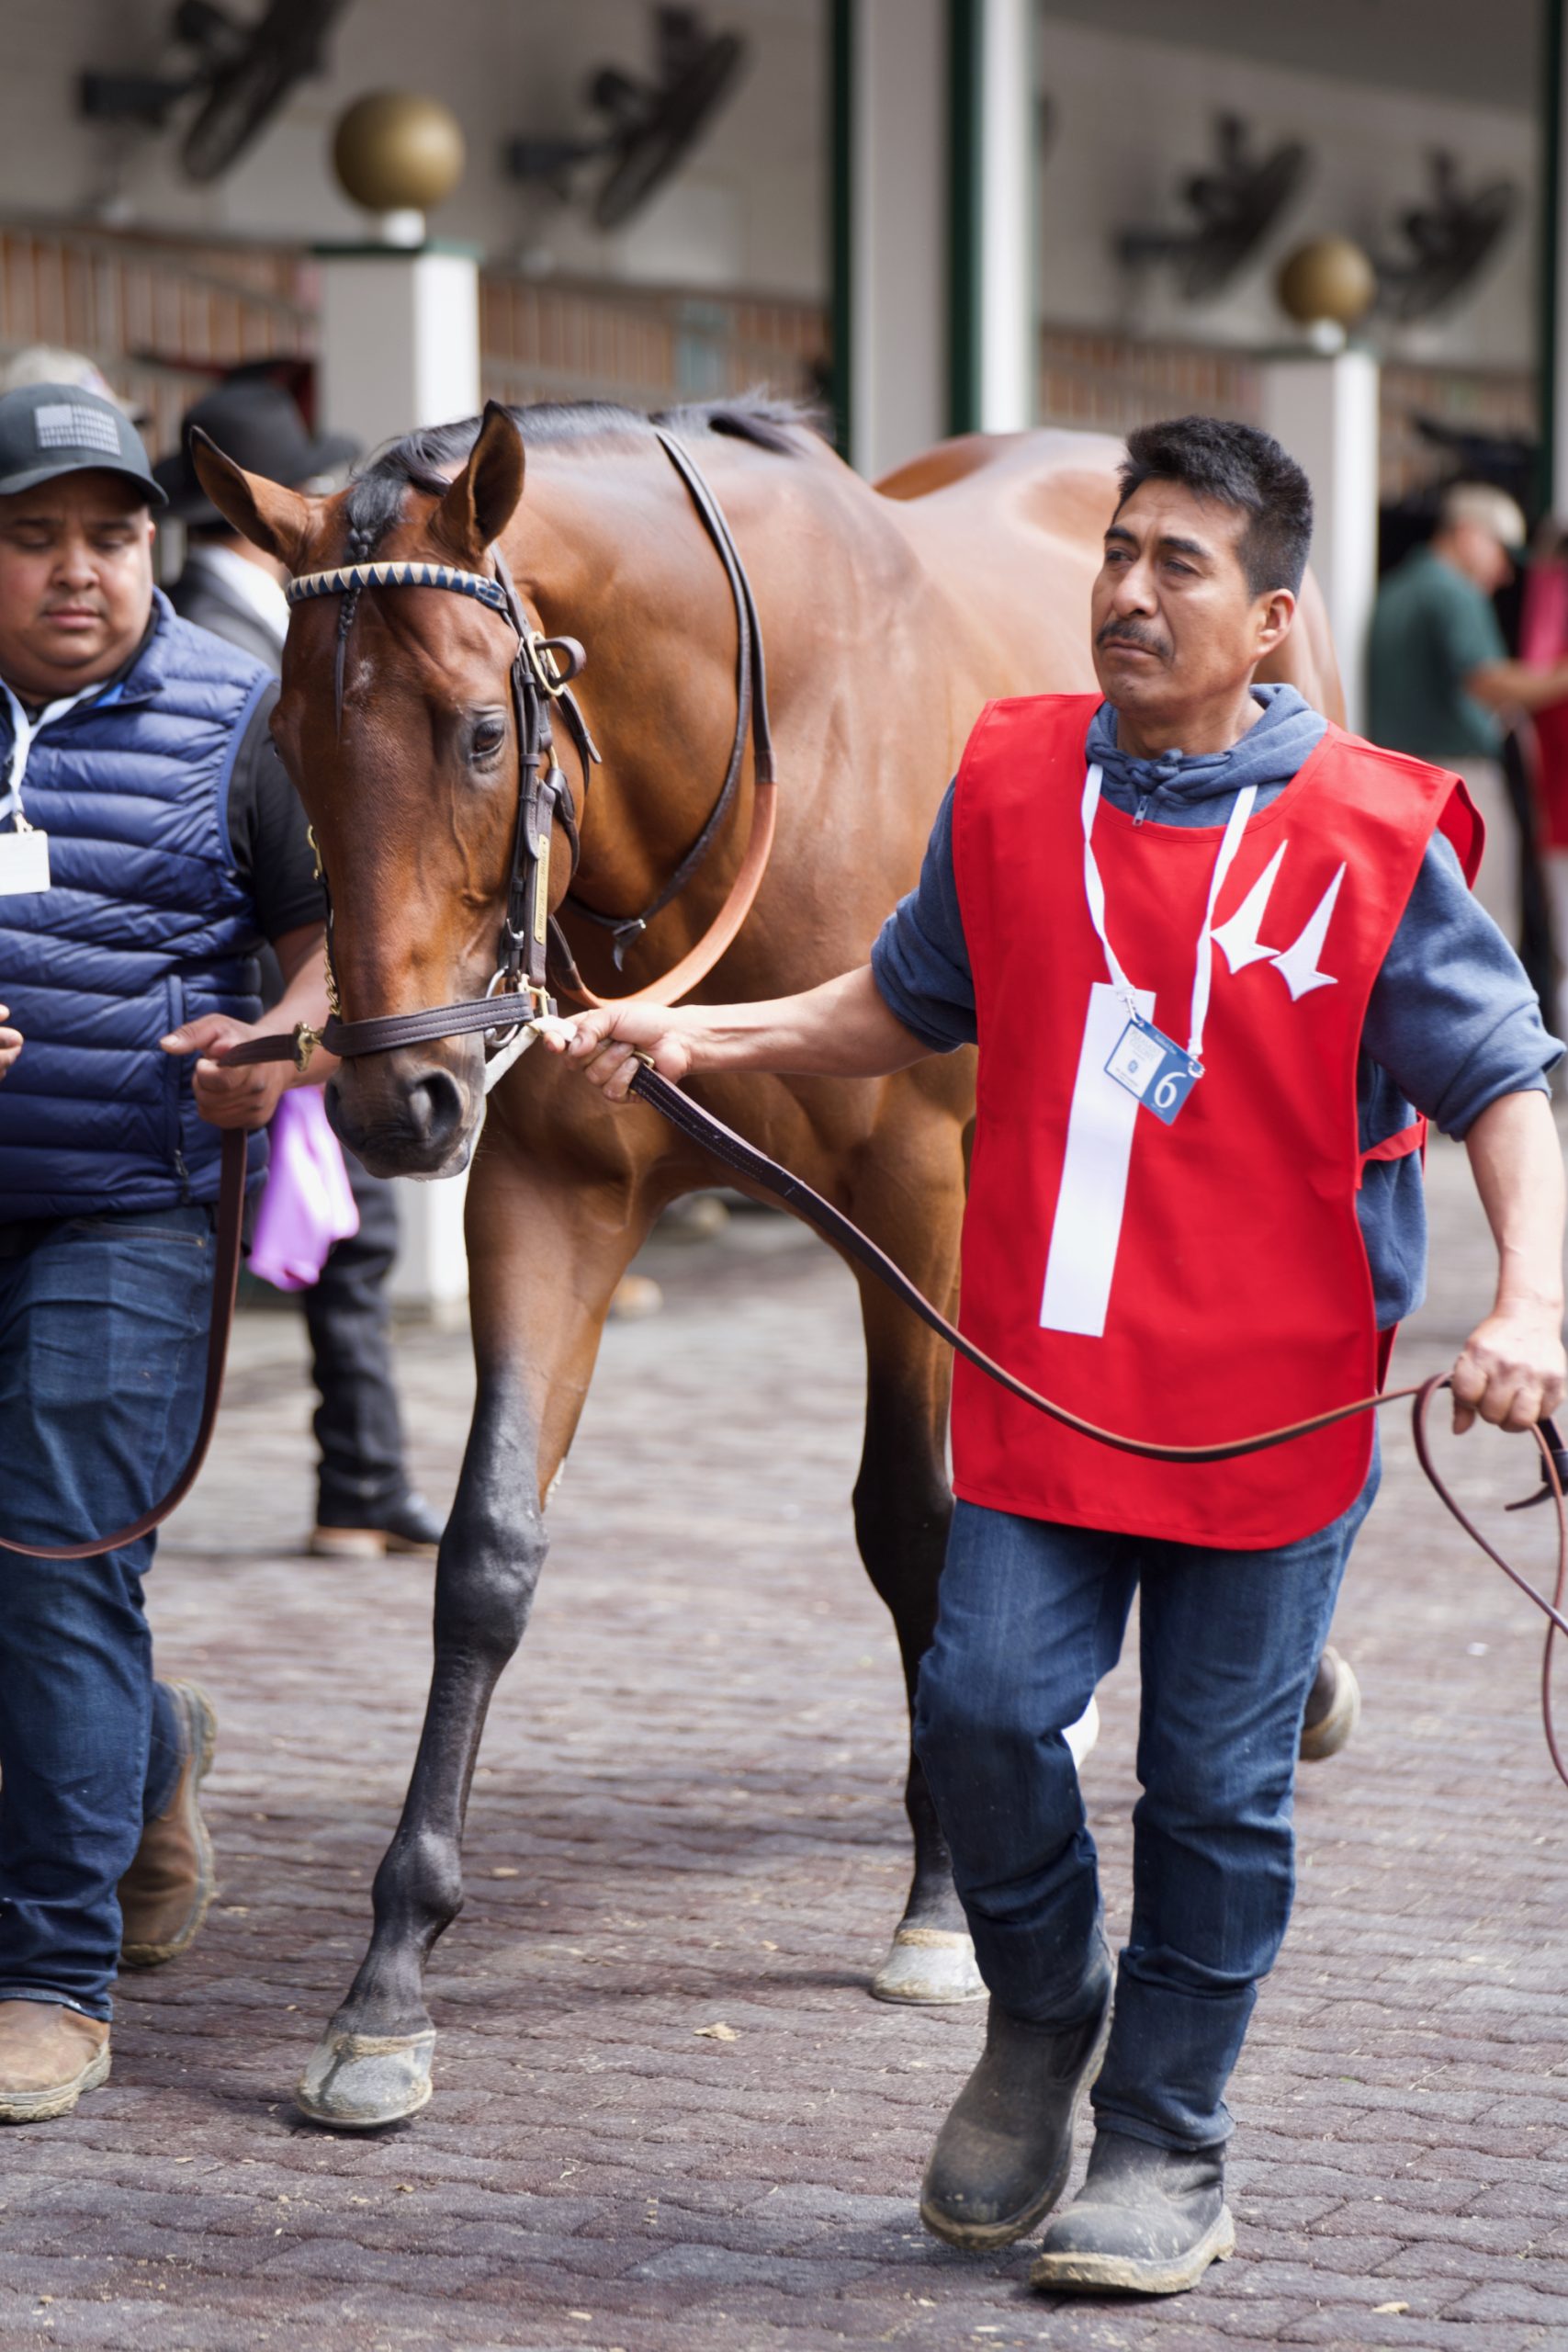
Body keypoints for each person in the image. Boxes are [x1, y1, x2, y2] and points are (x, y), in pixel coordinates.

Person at [545, 417, 1566, 2296]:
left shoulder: (1362, 827)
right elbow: (902, 997)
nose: (1122, 588)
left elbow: (1506, 1082)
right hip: (1037, 1379)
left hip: (1271, 1402)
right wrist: (706, 1031)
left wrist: (1526, 1308)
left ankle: (1166, 2137)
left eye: (1177, 565)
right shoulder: (1014, 780)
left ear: (1269, 619)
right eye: (1116, 550)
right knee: (986, 1713)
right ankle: (1040, 2015)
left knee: (1210, 1786)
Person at [0, 379, 332, 2121]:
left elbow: (334, 955)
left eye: (111, 535)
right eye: (35, 534)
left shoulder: (243, 719)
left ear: (156, 544)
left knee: (55, 1561)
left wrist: (270, 1053)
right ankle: (152, 1749)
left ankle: (45, 1974)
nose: (79, 571)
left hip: (129, 1198)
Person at [155, 378, 444, 1559]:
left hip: (277, 972)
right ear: (257, 523)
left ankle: (360, 1481)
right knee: (345, 1233)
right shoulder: (247, 651)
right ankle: (359, 1482)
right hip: (271, 975)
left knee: (344, 1234)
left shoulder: (225, 623)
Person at [1368, 481, 1568, 944]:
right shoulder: (1452, 591)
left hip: (1401, 778)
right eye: (1502, 552)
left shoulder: (1402, 584)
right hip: (1456, 781)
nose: (1505, 573)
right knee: (1485, 929)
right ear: (1469, 535)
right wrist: (1559, 679)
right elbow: (1489, 683)